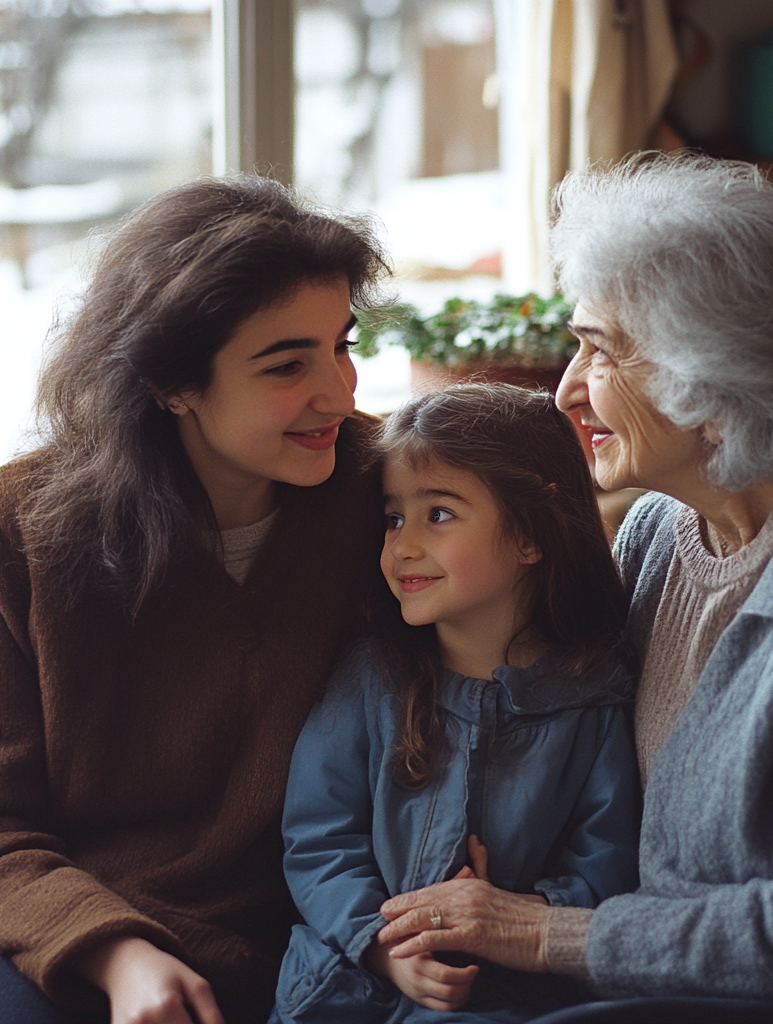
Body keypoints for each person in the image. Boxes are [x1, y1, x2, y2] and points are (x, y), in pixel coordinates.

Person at [373, 153, 773, 1024]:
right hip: (635, 979)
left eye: (600, 349)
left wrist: (542, 935)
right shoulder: (658, 531)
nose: (568, 391)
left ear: (718, 375)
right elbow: (563, 738)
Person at [0, 176, 391, 1024]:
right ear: (171, 384)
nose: (339, 391)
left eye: (342, 344)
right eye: (288, 364)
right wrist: (117, 953)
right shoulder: (13, 528)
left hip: (320, 932)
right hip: (71, 929)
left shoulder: (396, 494)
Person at [270, 383, 640, 1024]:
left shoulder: (592, 694)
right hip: (349, 989)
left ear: (531, 533)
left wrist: (514, 914)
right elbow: (319, 840)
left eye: (438, 514)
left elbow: (605, 859)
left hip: (507, 994)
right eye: (393, 518)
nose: (403, 545)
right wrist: (384, 947)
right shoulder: (369, 676)